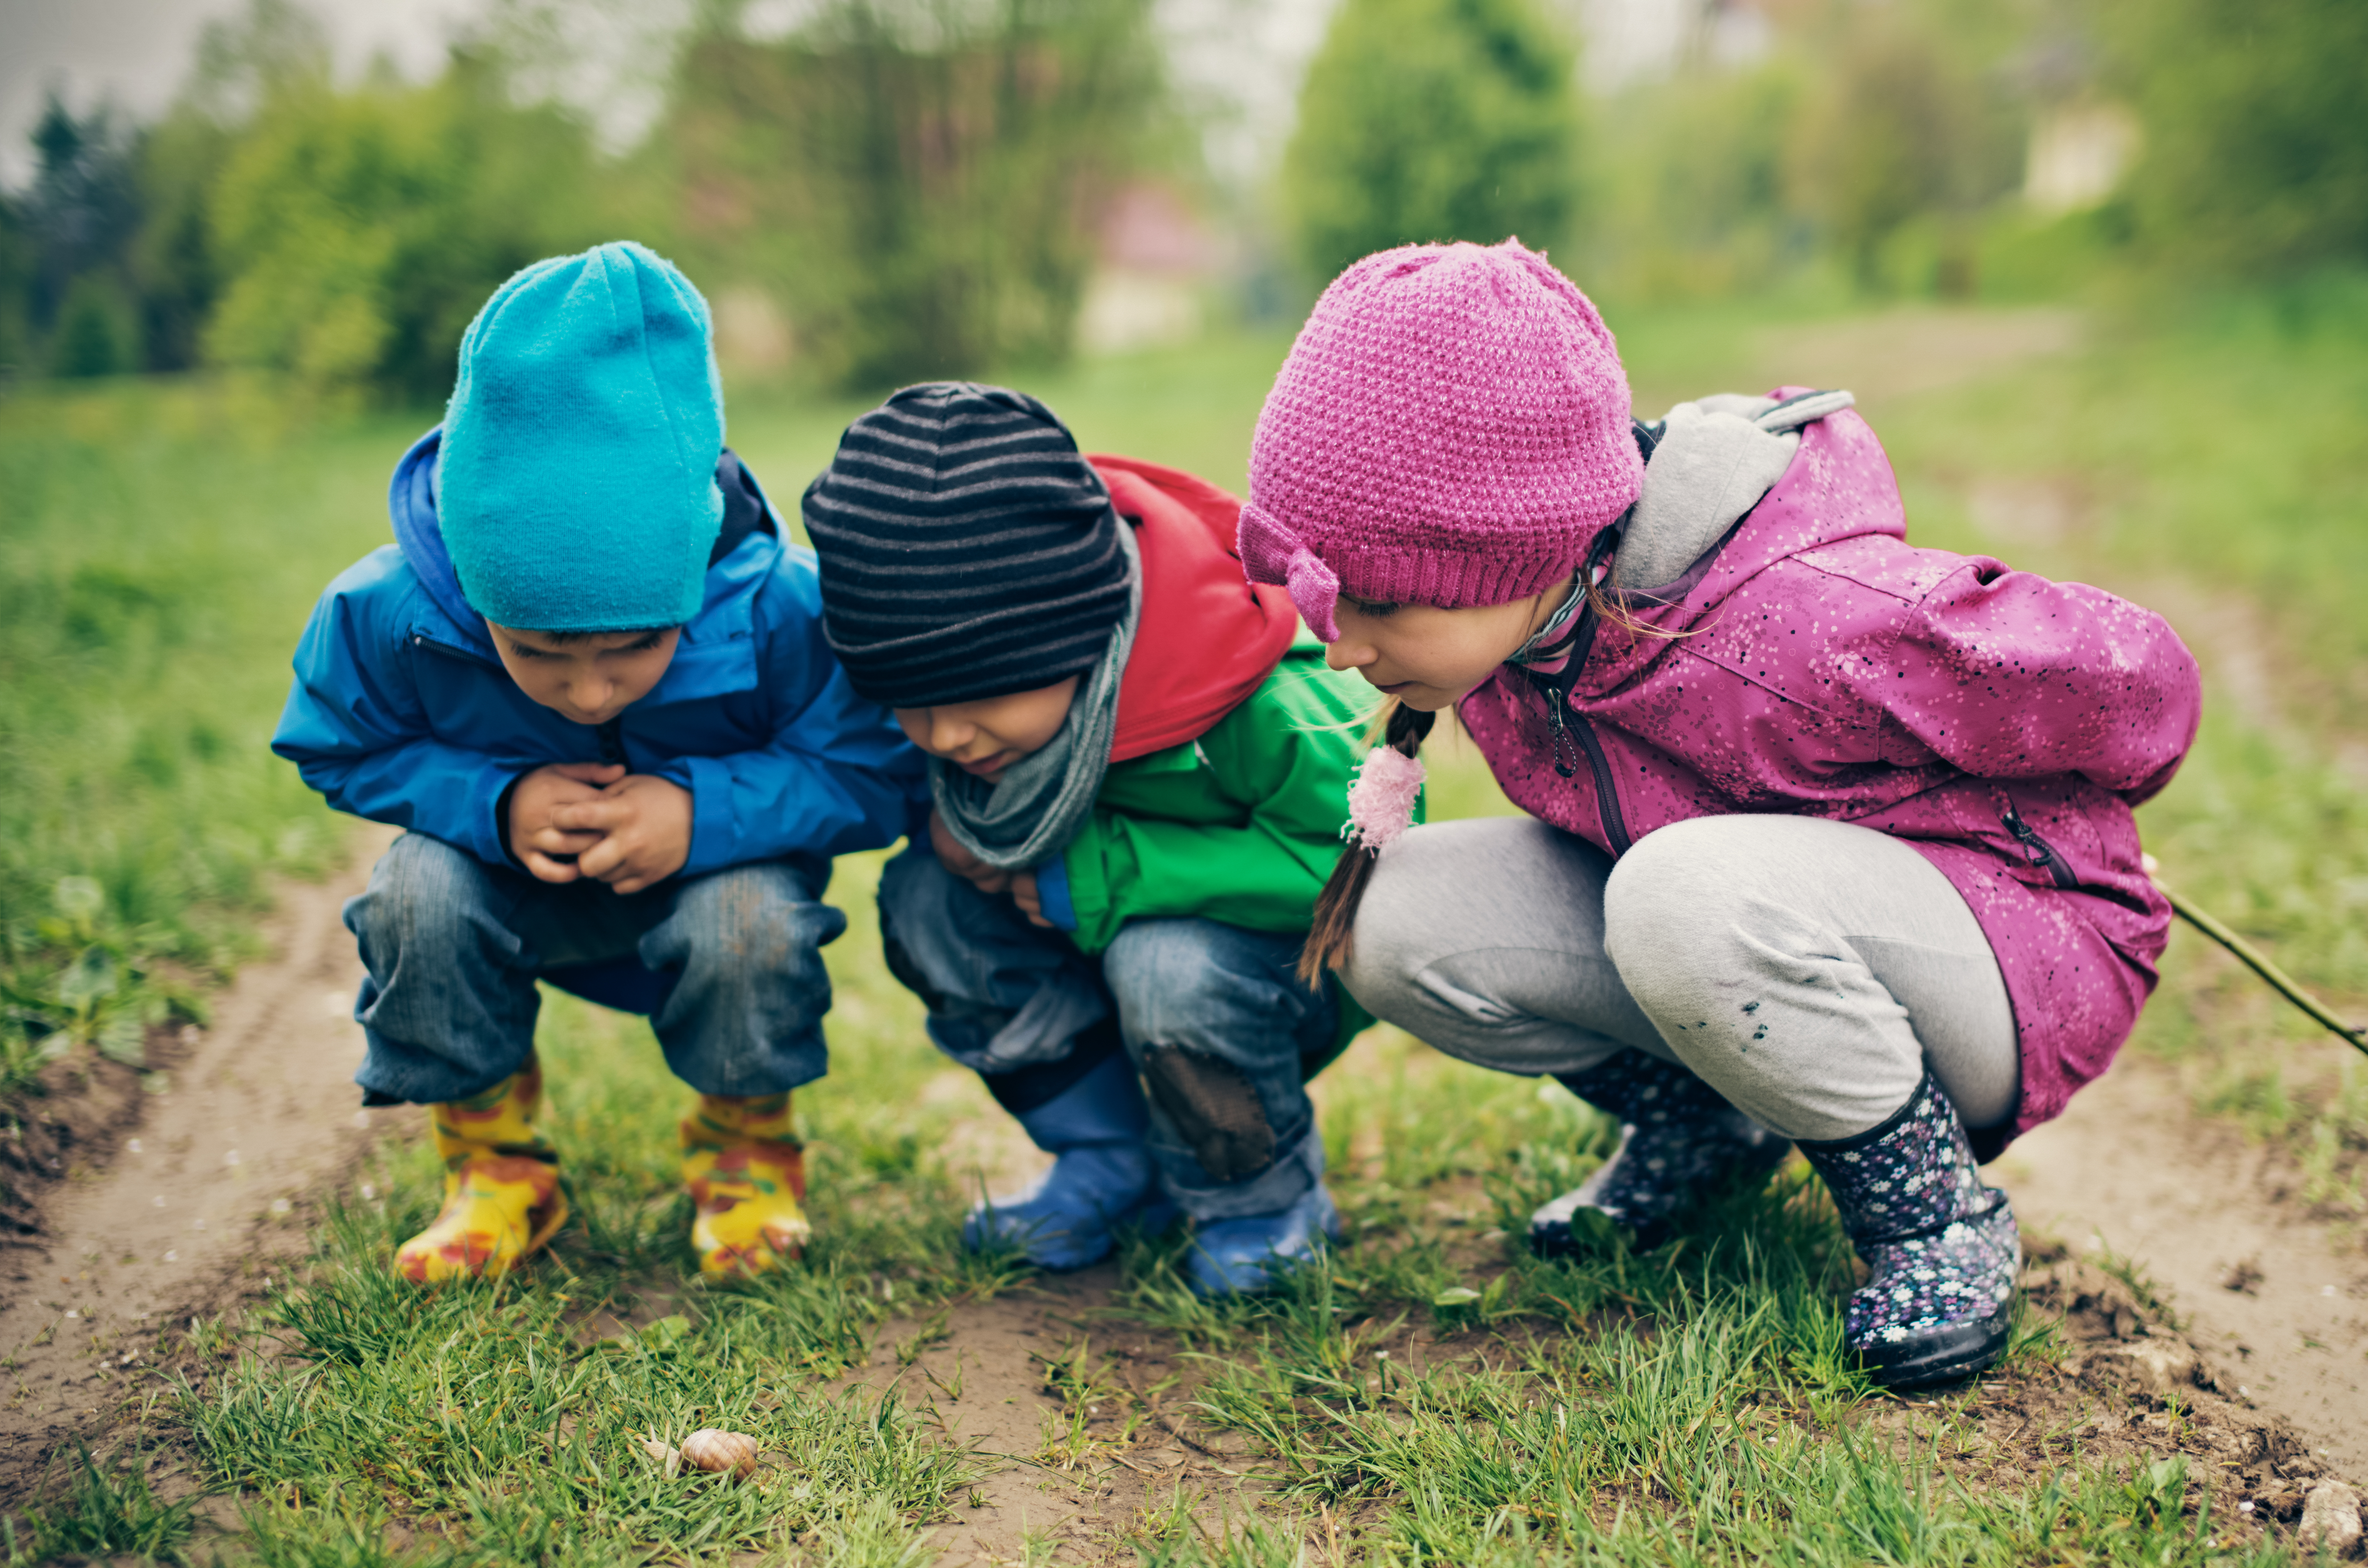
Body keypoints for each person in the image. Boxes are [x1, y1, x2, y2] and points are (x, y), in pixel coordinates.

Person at [1236, 241, 2202, 1384]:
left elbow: (2146, 686)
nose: (1341, 645)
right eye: (1332, 597)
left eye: (1382, 602)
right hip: (1744, 933)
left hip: (2016, 951)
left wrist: (2056, 818)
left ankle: (1934, 1215)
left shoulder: (1808, 623)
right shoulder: (1525, 636)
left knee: (1676, 890)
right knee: (1389, 916)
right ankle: (1712, 1129)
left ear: (1513, 547)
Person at [274, 242, 920, 1285]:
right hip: (510, 883)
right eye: (535, 654)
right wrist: (494, 800)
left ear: (690, 572)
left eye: (634, 649)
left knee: (749, 919)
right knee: (414, 895)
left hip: (715, 882)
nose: (588, 692)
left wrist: (702, 814)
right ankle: (493, 1169)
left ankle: (744, 1154)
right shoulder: (389, 612)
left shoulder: (779, 606)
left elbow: (874, 768)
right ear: (477, 593)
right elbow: (337, 740)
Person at [803, 383, 1380, 1295]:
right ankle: (1112, 1160)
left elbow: (1355, 868)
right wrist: (950, 830)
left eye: (976, 698)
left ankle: (1262, 1196)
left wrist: (1104, 870)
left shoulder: (1255, 692)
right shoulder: (971, 711)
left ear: (1075, 639)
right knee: (926, 899)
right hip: (1093, 953)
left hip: (1266, 971)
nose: (946, 736)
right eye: (910, 705)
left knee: (1166, 964)